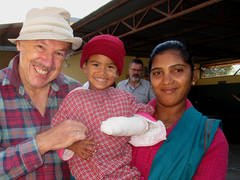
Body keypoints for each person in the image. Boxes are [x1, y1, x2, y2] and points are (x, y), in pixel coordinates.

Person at [0, 7, 89, 179]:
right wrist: (44, 142)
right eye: (40, 46)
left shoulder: (75, 92)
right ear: (20, 44)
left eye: (58, 53)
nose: (48, 62)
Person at [51, 34, 166, 180]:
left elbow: (145, 114)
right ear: (85, 67)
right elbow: (57, 131)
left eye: (110, 66)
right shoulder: (75, 99)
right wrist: (74, 146)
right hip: (87, 170)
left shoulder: (124, 98)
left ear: (118, 72)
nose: (102, 72)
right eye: (96, 64)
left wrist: (135, 123)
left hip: (121, 170)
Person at [131, 40, 229, 179]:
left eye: (177, 70)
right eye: (158, 73)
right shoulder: (131, 122)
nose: (167, 81)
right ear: (150, 80)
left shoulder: (208, 137)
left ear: (193, 76)